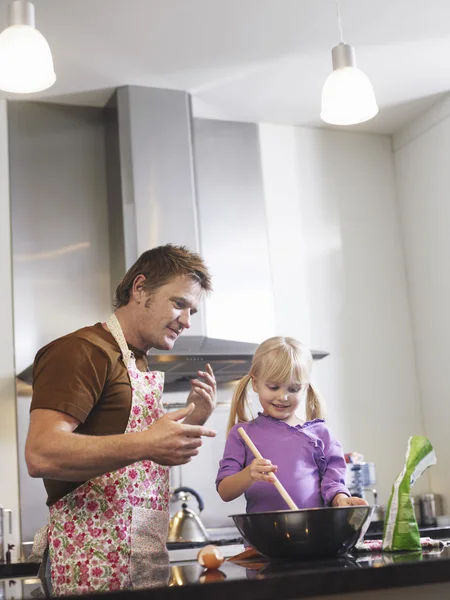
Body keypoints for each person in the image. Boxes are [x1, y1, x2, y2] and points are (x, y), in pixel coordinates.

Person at [25, 244, 217, 596]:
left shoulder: (137, 362)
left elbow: (133, 457)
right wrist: (148, 442)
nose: (187, 321)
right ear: (140, 288)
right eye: (179, 303)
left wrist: (191, 421)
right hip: (87, 567)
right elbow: (41, 453)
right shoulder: (83, 350)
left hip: (138, 566)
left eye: (192, 310)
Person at [216, 336, 367, 513]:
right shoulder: (242, 434)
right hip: (262, 539)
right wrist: (248, 474)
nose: (283, 397)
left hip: (312, 536)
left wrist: (341, 499)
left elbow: (333, 483)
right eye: (273, 387)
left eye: (293, 389)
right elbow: (225, 492)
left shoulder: (321, 435)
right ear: (255, 383)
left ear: (305, 388)